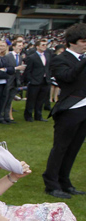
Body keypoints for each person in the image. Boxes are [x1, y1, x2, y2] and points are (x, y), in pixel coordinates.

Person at [43, 23, 86, 199]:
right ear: (72, 42)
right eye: (83, 41)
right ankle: (51, 184)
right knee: (60, 148)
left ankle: (65, 181)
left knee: (74, 148)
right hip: (69, 110)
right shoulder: (59, 59)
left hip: (84, 109)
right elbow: (67, 77)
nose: (85, 44)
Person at [23, 38, 51, 122]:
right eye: (43, 45)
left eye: (46, 45)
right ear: (37, 46)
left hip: (45, 80)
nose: (45, 46)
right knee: (31, 100)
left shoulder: (47, 55)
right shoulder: (32, 57)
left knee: (40, 100)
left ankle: (38, 116)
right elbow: (28, 70)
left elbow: (48, 68)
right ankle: (28, 116)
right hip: (35, 81)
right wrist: (30, 80)